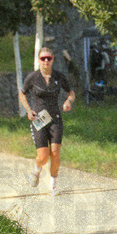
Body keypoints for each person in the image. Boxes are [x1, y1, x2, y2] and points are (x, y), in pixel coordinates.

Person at [19, 47, 75, 196]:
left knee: (55, 153)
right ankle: (37, 171)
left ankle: (53, 186)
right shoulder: (32, 78)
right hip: (39, 120)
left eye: (48, 58)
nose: (45, 61)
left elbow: (71, 91)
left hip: (55, 118)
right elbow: (22, 94)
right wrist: (28, 110)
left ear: (52, 59)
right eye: (43, 58)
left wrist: (68, 101)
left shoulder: (59, 76)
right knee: (43, 157)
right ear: (38, 60)